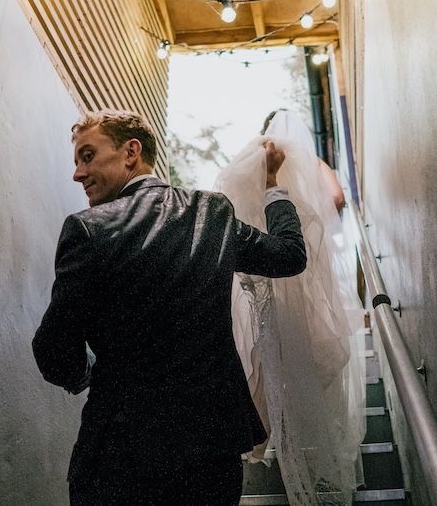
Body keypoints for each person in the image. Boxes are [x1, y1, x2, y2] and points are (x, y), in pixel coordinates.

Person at [32, 109, 307, 505]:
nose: (78, 173)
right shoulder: (214, 215)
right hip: (211, 449)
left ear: (131, 152)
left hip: (120, 452)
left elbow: (53, 348)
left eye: (87, 155)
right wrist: (272, 187)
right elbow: (289, 256)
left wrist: (88, 375)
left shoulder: (88, 229)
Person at [217, 109, 366, 506]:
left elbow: (227, 207)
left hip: (262, 269)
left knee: (265, 349)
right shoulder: (312, 161)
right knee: (310, 346)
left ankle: (267, 437)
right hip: (304, 266)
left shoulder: (253, 159)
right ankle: (309, 434)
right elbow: (335, 197)